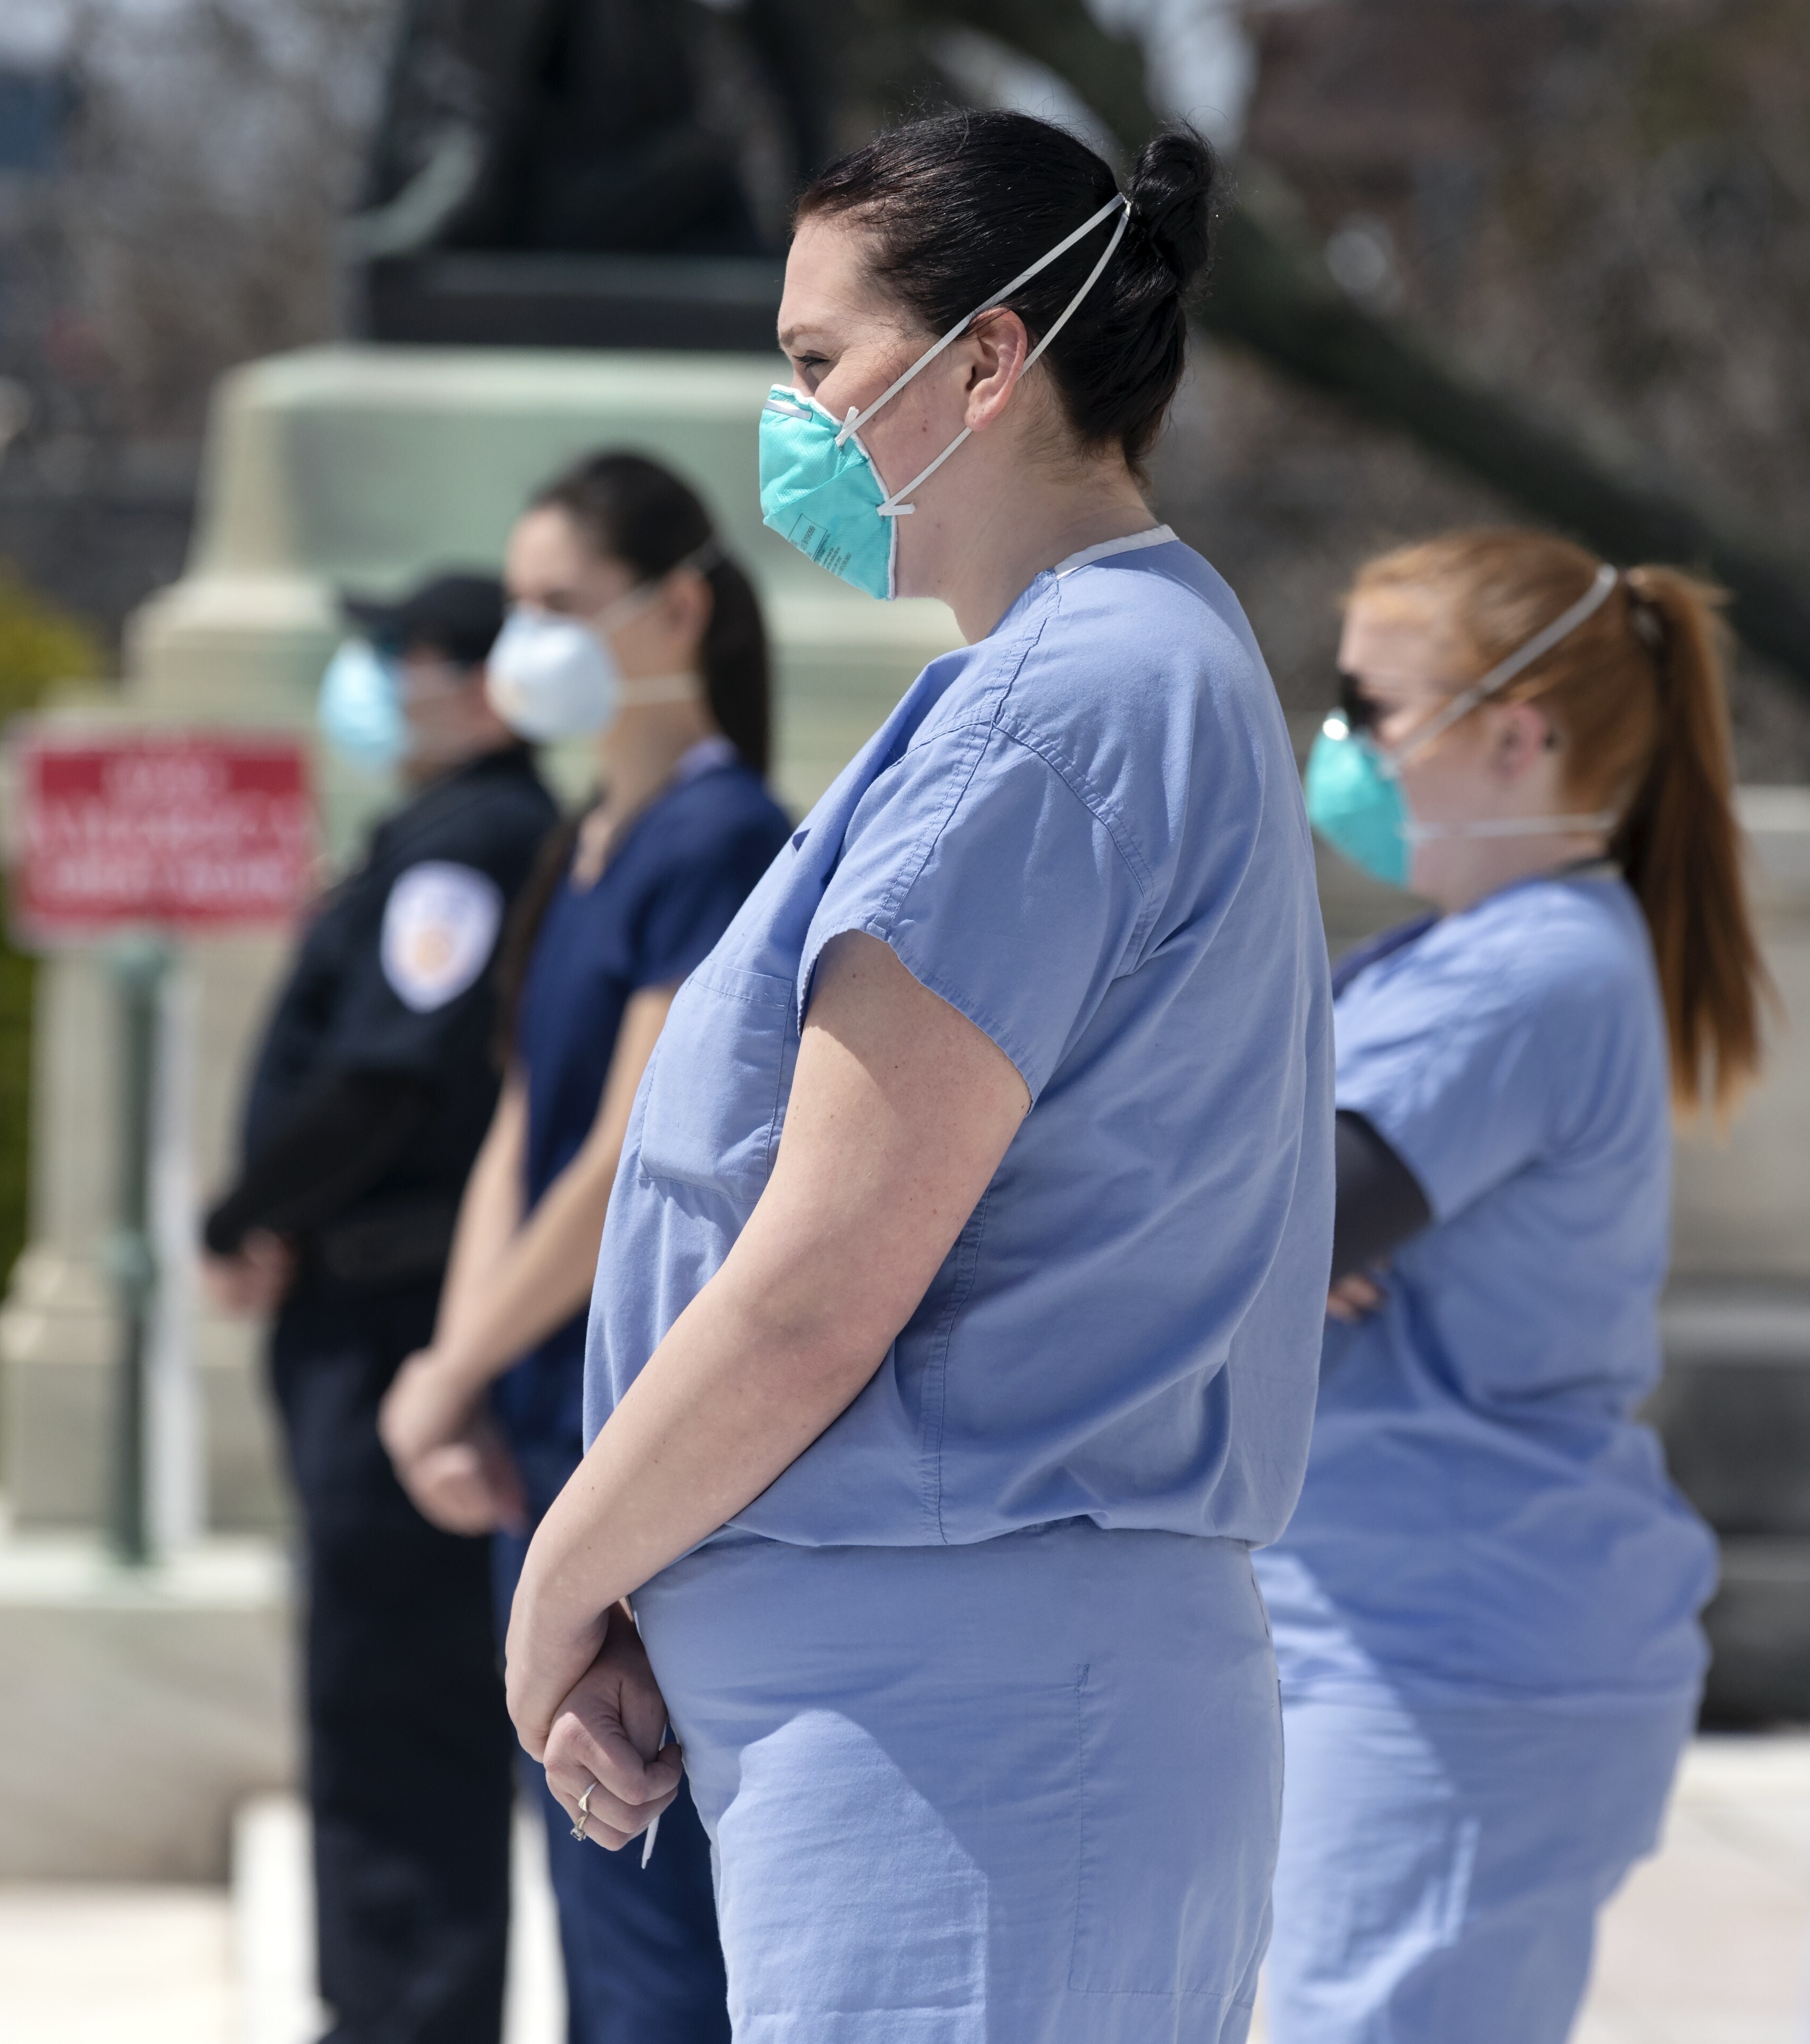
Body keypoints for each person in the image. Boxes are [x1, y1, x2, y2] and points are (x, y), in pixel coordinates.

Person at [495, 110, 1331, 2043]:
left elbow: (817, 1283)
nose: (786, 417)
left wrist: (563, 1577)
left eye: (815, 362)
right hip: (985, 1710)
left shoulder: (1054, 707)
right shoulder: (1128, 660)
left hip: (965, 1735)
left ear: (985, 361)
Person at [1259, 531, 1768, 2044]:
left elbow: (1276, 1230)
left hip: (1454, 1656)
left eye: (1375, 706)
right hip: (1418, 1637)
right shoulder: (1462, 957)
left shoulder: (1531, 971)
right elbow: (1265, 1225)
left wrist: (1269, 1216)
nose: (1338, 743)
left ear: (1518, 730)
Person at [375, 450, 788, 2042]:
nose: (520, 640)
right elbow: (522, 1118)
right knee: (591, 1919)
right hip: (532, 1435)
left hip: (632, 1448)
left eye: (558, 603)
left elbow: (632, 1145)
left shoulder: (723, 837)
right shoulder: (583, 843)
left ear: (676, 607)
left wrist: (454, 1366)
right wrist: (458, 1371)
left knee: (655, 1935)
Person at [205, 571, 559, 2044]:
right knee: (383, 1702)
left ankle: (405, 2015)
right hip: (374, 1310)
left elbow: (385, 1076)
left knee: (393, 1712)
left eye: (401, 657)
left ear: (482, 683)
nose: (377, 683)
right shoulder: (448, 836)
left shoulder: (467, 847)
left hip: (393, 1323)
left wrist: (249, 1209)